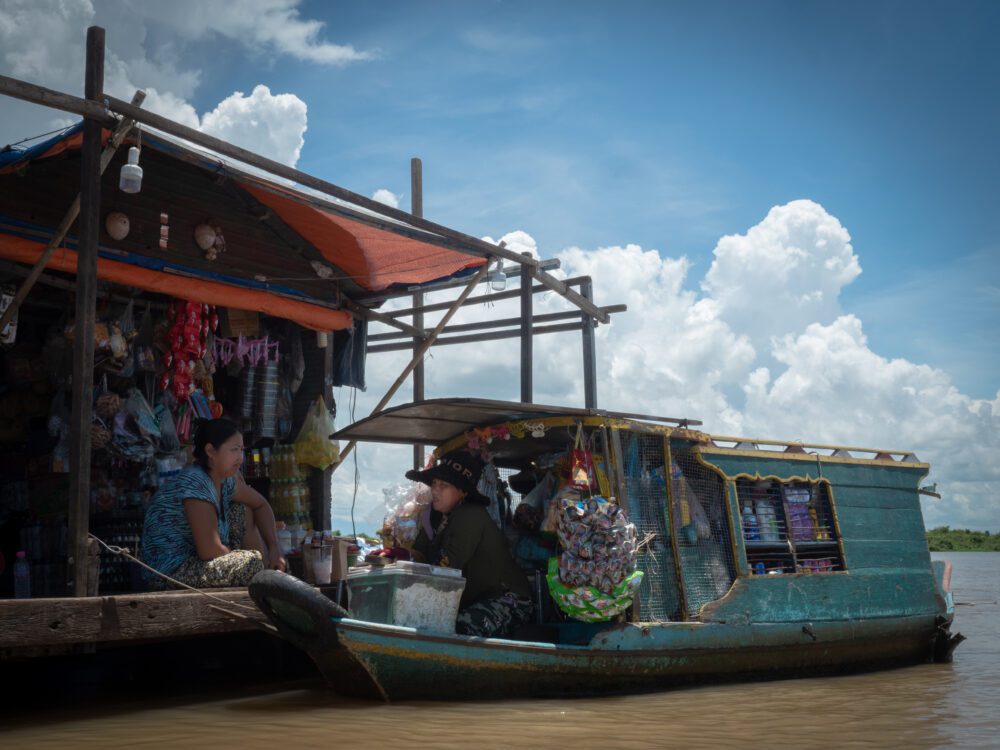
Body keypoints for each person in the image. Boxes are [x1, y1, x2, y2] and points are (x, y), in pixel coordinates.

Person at [140, 418, 286, 589]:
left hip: (199, 563)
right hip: (170, 571)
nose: (240, 458)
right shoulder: (196, 482)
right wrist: (246, 559)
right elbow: (208, 550)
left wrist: (275, 548)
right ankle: (261, 578)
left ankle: (263, 577)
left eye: (241, 450)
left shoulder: (225, 481)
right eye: (234, 450)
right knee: (252, 563)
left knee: (244, 508)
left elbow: (260, 504)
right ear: (210, 451)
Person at [408, 450, 534, 638]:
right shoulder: (435, 517)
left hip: (509, 600)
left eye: (444, 485)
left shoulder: (470, 514)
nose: (435, 490)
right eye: (434, 483)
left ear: (462, 492)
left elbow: (447, 569)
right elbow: (418, 555)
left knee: (454, 629)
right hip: (475, 600)